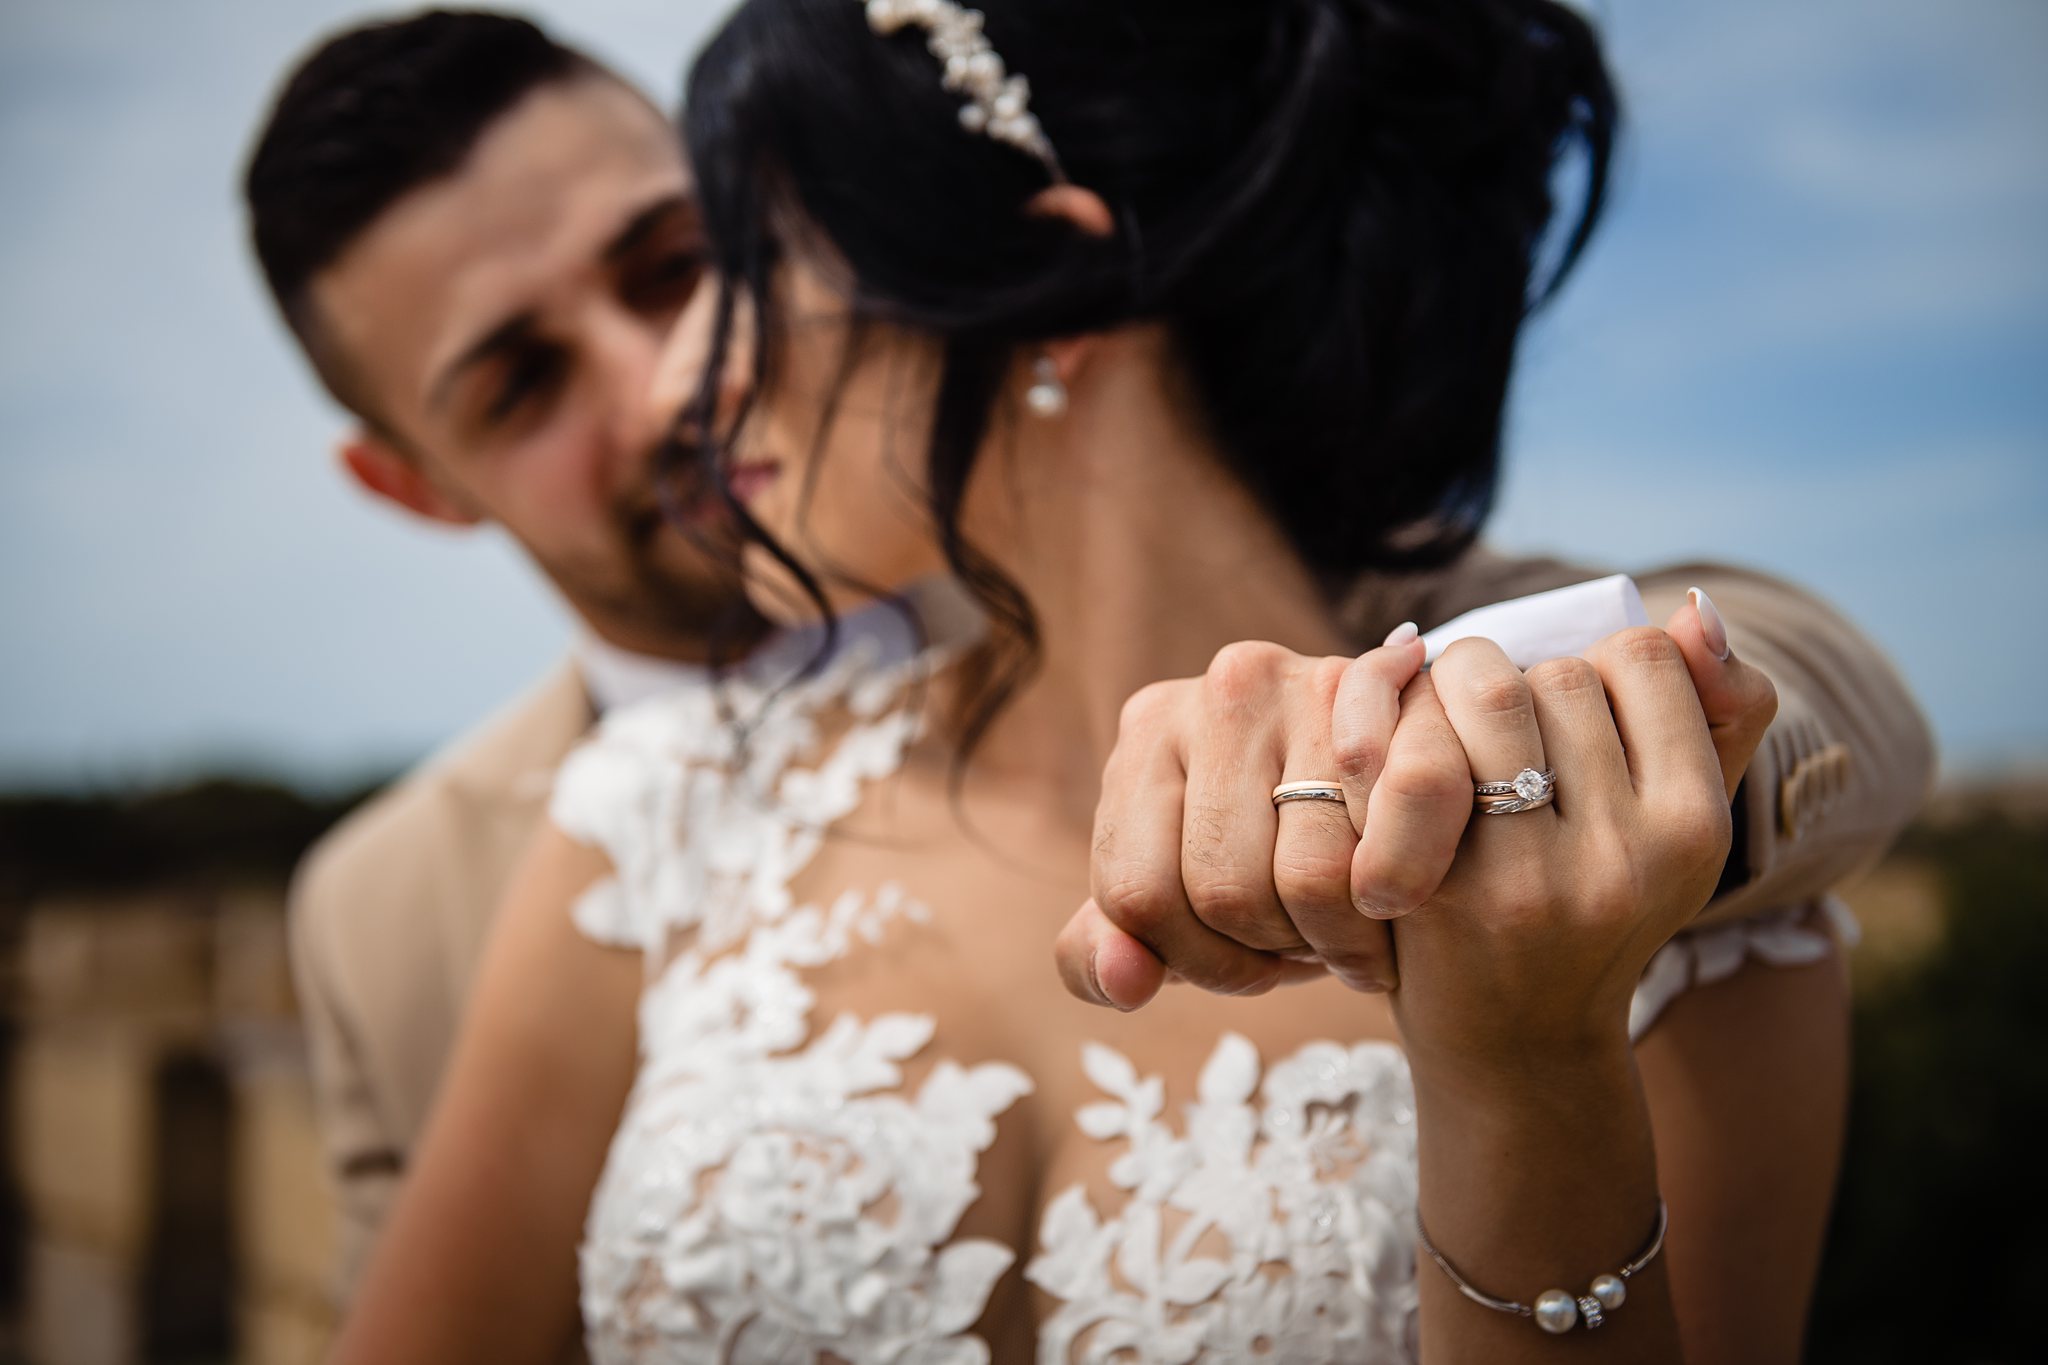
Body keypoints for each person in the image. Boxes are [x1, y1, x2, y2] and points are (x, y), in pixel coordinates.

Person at [329, 1, 1932, 1361]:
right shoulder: (661, 817)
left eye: (732, 263)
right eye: (524, 376)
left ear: (1051, 283)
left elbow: (1794, 691)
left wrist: (1524, 1051)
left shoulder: (1626, 865)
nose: (685, 377)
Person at [241, 10, 767, 1296]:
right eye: (523, 382)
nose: (660, 387)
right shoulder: (383, 918)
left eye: (672, 265)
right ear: (413, 487)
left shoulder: (1221, 606)